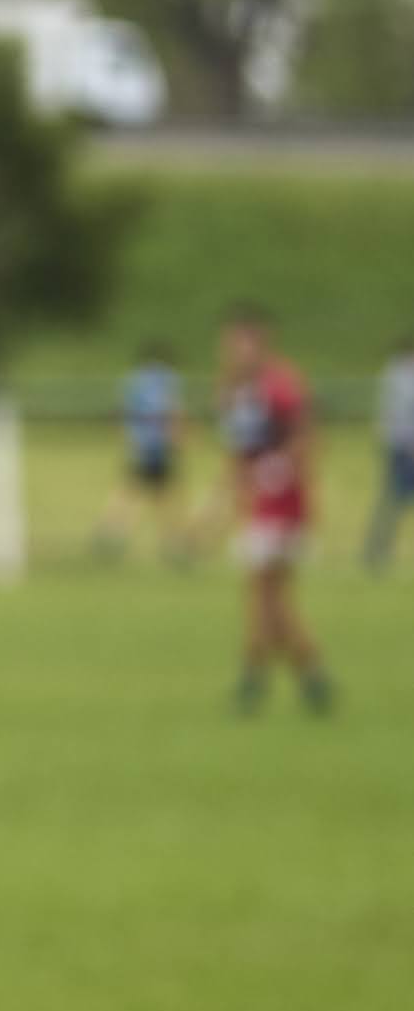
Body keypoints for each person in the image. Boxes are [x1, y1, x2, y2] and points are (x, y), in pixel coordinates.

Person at [217, 306, 330, 716]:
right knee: (266, 594)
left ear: (260, 343)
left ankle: (264, 677)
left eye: (242, 343)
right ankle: (304, 675)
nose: (235, 351)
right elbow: (237, 452)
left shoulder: (280, 384)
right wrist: (228, 494)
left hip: (283, 502)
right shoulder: (233, 390)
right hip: (257, 501)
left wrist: (283, 469)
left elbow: (306, 435)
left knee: (266, 593)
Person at [97, 343, 199, 568]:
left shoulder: (134, 380)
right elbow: (174, 412)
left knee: (134, 492)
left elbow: (121, 412)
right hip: (159, 448)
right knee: (166, 497)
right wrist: (181, 436)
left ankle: (111, 534)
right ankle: (173, 544)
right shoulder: (167, 380)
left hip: (141, 447)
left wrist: (126, 436)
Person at [367, 335, 414, 575]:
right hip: (402, 448)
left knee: (392, 501)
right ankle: (376, 551)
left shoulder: (394, 374)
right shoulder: (401, 376)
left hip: (399, 446)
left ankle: (376, 551)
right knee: (393, 501)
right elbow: (400, 415)